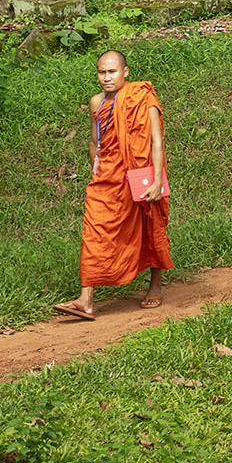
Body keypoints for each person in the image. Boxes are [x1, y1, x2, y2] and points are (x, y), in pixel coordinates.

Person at [54, 50, 172, 319]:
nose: (106, 78)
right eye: (101, 73)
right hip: (107, 178)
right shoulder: (97, 102)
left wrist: (155, 180)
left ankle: (155, 284)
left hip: (140, 172)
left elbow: (156, 141)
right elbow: (95, 141)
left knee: (148, 224)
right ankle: (86, 300)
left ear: (125, 72)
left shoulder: (142, 97)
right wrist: (97, 168)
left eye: (112, 72)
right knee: (94, 229)